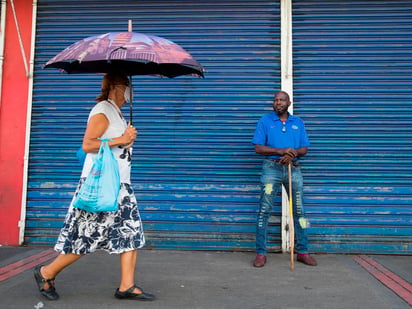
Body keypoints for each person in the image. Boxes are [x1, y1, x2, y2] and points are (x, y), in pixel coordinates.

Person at [33, 72, 156, 301]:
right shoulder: (103, 110)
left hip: (120, 186)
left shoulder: (116, 112)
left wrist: (126, 138)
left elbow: (112, 144)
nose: (129, 91)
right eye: (125, 85)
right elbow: (89, 143)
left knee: (130, 233)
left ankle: (126, 286)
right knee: (85, 236)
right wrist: (122, 139)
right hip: (101, 187)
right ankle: (46, 273)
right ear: (113, 87)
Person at [252, 90, 317, 267]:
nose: (278, 102)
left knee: (300, 211)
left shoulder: (298, 122)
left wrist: (292, 153)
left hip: (293, 169)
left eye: (282, 100)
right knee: (264, 210)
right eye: (276, 100)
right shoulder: (265, 121)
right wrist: (280, 151)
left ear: (289, 103)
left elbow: (304, 148)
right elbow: (258, 148)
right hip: (270, 169)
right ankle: (260, 253)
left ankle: (303, 251)